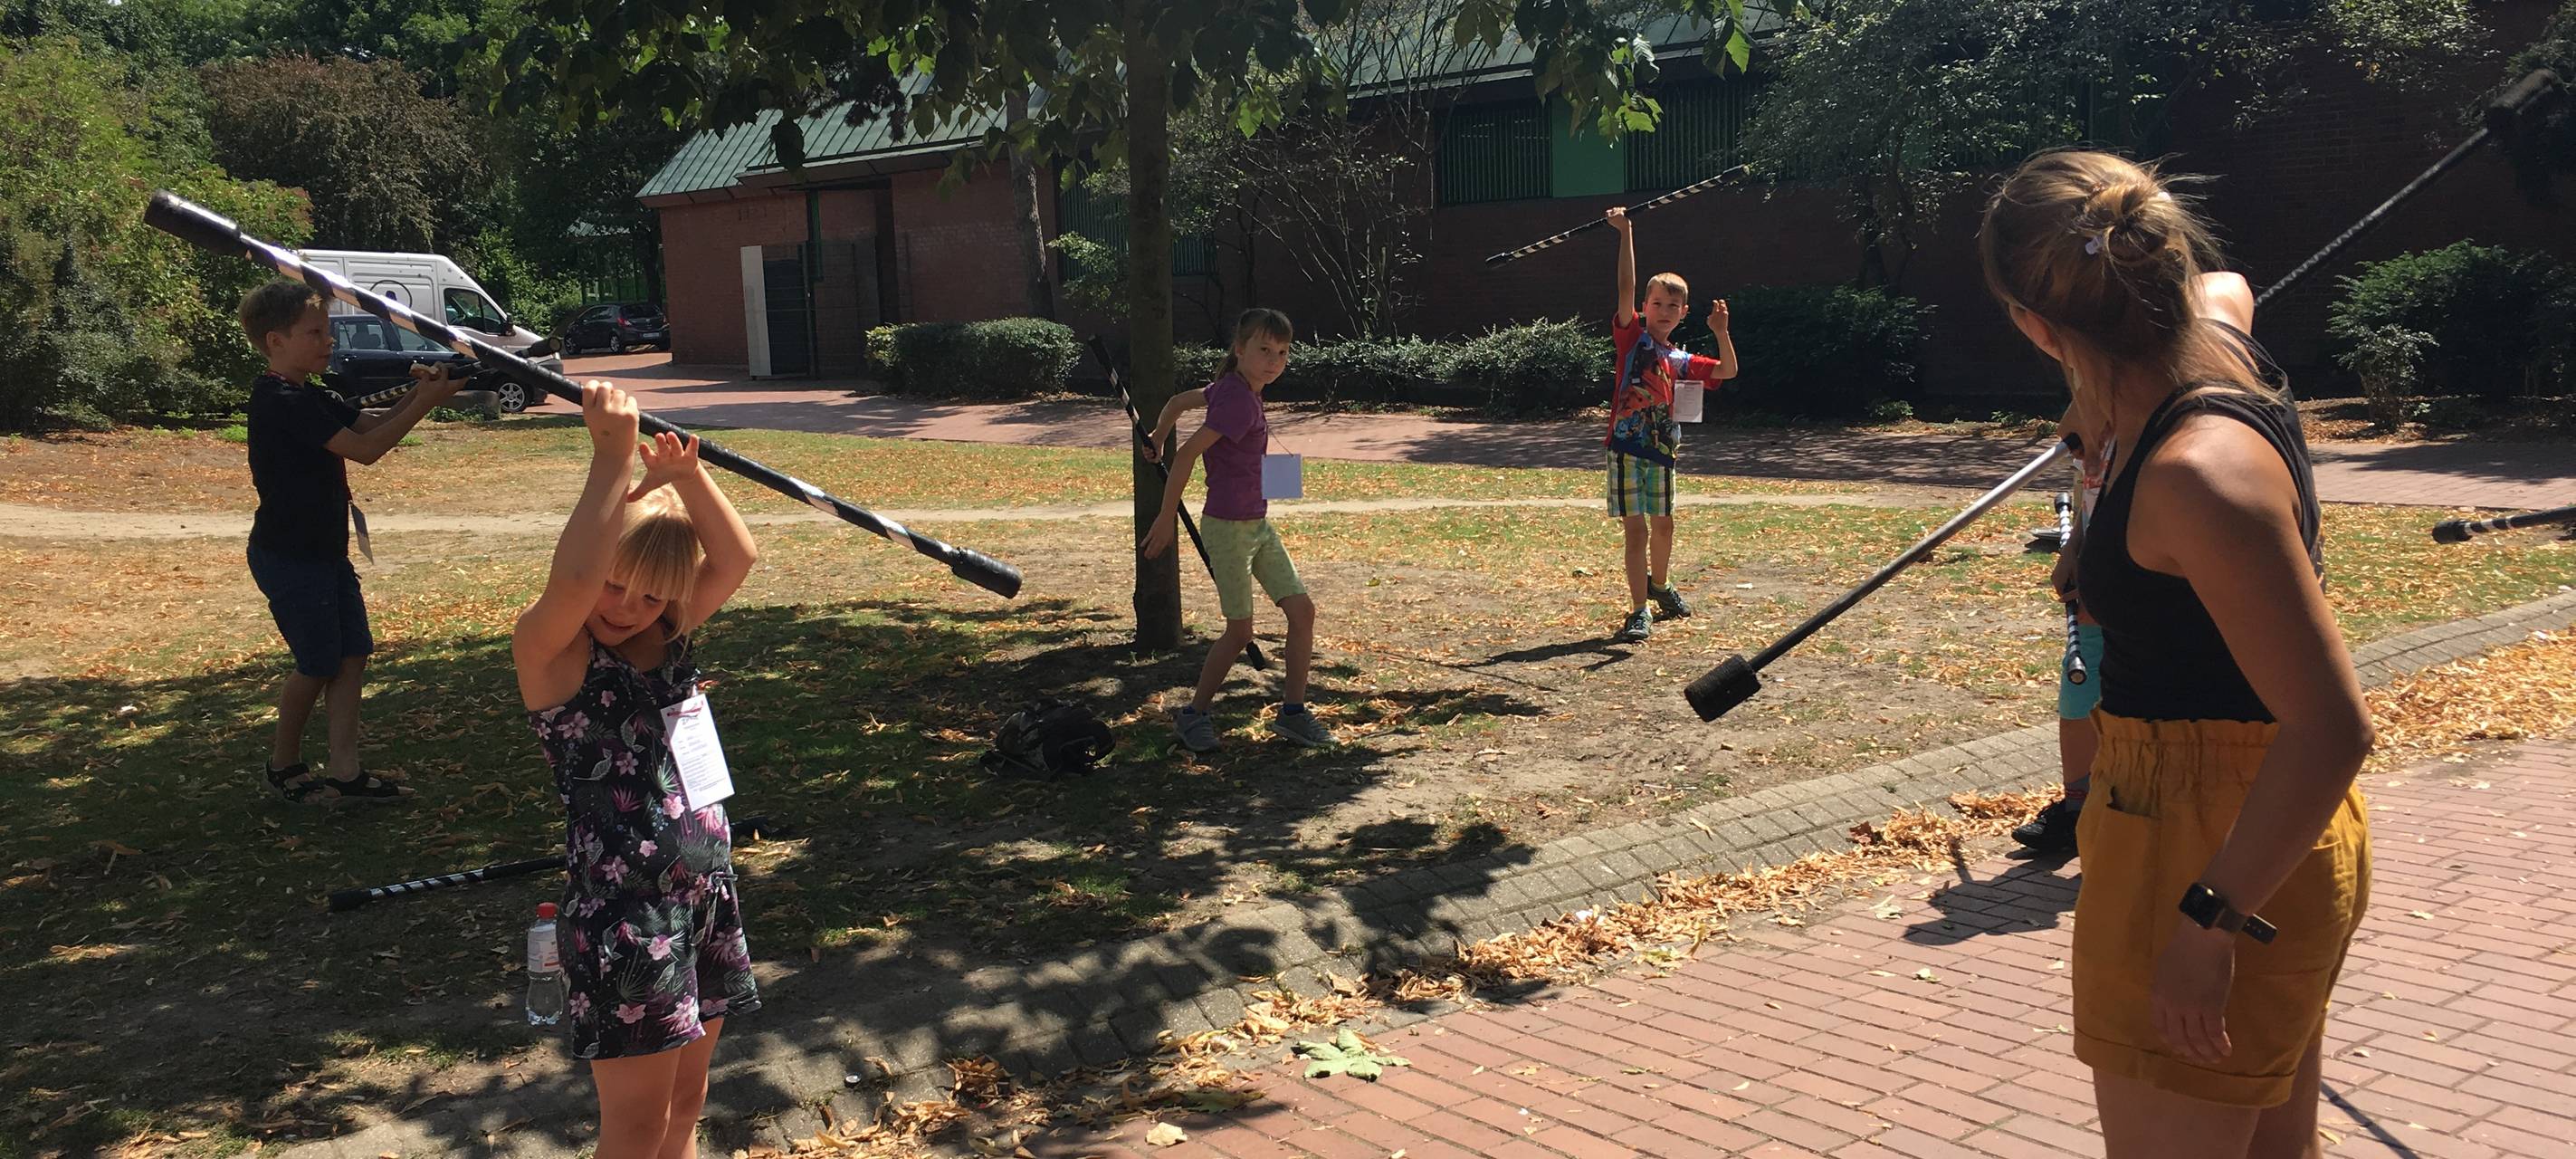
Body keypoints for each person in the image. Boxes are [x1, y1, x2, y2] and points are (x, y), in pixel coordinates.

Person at [1980, 149, 2371, 1157]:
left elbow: (2333, 728)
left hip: (2213, 838)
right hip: (2232, 821)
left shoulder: (2196, 473)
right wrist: (2095, 439)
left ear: (2034, 325)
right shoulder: (2222, 341)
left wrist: (2208, 923)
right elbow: (2224, 287)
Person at [514, 382, 760, 1157]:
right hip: (627, 921)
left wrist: (688, 476)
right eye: (617, 583)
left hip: (704, 900)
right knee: (635, 1125)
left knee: (686, 1102)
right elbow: (574, 585)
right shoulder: (553, 654)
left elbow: (736, 557)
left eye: (652, 595)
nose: (627, 606)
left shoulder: (667, 640)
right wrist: (611, 460)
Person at [240, 280, 457, 803]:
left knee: (352, 653)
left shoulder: (308, 394)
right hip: (290, 556)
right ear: (276, 341)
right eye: (315, 333)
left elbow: (368, 423)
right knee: (317, 663)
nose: (328, 341)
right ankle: (283, 766)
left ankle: (345, 771)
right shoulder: (279, 399)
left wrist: (422, 393)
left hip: (325, 552)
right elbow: (365, 449)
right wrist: (425, 403)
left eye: (327, 331)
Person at [1140, 309, 1337, 752]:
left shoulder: (1234, 387)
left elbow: (1176, 403)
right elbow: (1187, 455)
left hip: (1257, 524)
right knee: (1240, 632)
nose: (1273, 361)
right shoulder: (1238, 401)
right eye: (1264, 350)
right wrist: (1166, 517)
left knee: (1302, 612)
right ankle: (1193, 715)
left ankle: (1293, 714)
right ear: (1240, 349)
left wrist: (1158, 433)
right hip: (1228, 529)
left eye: (1282, 352)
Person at [1603, 205, 1738, 642]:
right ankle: (1638, 608)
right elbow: (1625, 286)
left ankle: (1660, 585)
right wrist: (1625, 232)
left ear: (1684, 312)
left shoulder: (1682, 360)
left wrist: (1720, 332)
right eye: (1657, 303)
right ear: (1644, 308)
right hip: (1625, 450)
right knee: (1636, 530)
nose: (1664, 310)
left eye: (1673, 305)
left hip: (1663, 452)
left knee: (1664, 525)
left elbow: (1727, 371)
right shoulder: (1632, 338)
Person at [2015, 417, 2110, 857]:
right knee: (2077, 697)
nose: (2064, 428)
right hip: (2095, 582)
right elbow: (2088, 498)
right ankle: (2077, 809)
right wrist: (2072, 551)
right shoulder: (2097, 432)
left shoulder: (2156, 435)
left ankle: (2123, 811)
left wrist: (2110, 582)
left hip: (2142, 595)